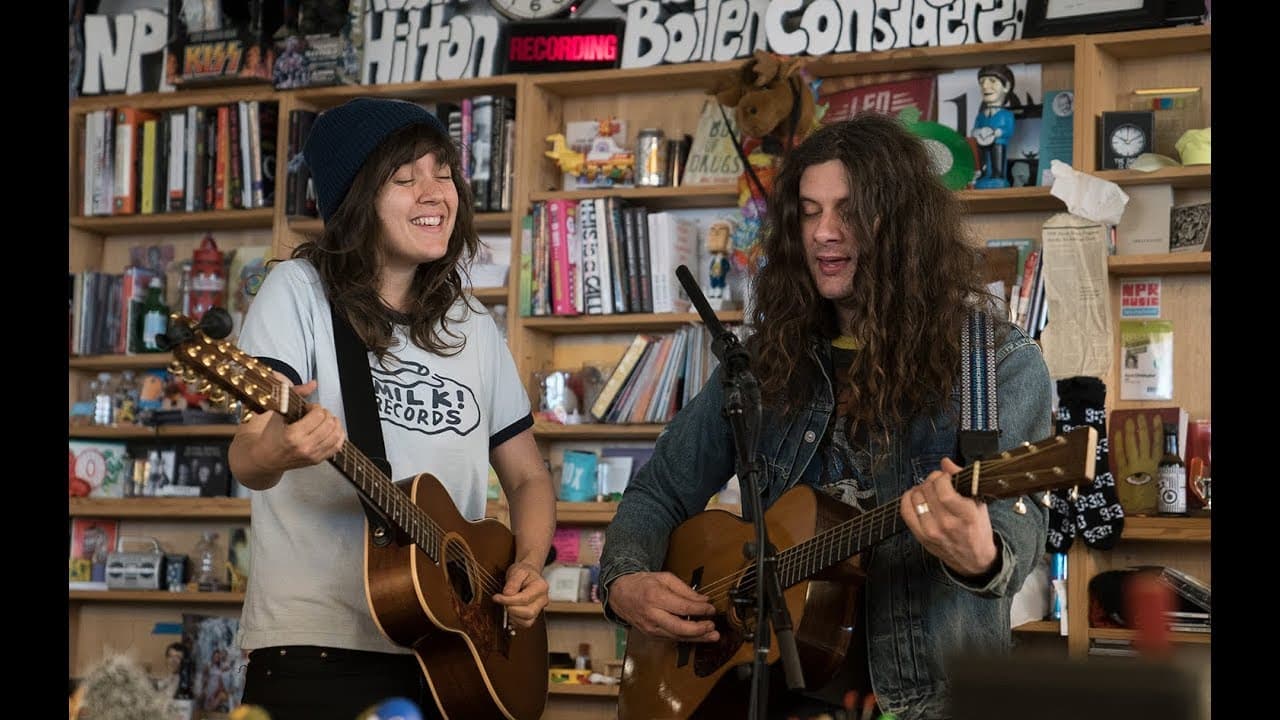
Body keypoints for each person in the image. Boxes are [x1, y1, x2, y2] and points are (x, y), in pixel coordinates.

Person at [599, 114, 1052, 720]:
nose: (824, 233)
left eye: (849, 211)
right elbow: (659, 490)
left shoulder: (996, 364)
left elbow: (1011, 547)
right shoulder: (762, 363)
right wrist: (624, 581)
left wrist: (980, 554)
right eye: (809, 212)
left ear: (903, 225)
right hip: (768, 696)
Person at [228, 97, 556, 720]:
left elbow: (528, 476)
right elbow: (247, 456)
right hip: (320, 647)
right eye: (404, 179)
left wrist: (529, 566)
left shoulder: (471, 324)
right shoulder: (298, 292)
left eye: (443, 172)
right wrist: (281, 448)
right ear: (355, 202)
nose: (435, 193)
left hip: (458, 649)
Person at [972, 64, 1016, 189]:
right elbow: (976, 127)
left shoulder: (1006, 114)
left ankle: (998, 175)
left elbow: (1009, 129)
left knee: (997, 158)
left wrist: (999, 132)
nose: (985, 86)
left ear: (1006, 86)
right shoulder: (981, 115)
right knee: (983, 159)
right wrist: (976, 132)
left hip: (998, 142)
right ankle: (984, 173)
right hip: (983, 142)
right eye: (982, 82)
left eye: (992, 81)